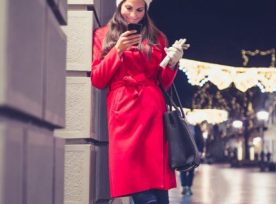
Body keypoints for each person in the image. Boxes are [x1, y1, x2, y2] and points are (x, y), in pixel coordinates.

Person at [91, 0, 187, 203]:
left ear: (146, 10)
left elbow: (163, 83)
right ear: (119, 6)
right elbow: (98, 79)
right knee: (140, 187)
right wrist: (117, 49)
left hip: (153, 111)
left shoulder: (157, 37)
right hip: (123, 112)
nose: (133, 15)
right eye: (128, 8)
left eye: (139, 10)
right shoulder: (102, 34)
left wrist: (173, 62)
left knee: (159, 191)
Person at [180, 124, 204, 196]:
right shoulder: (181, 125)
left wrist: (200, 150)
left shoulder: (196, 127)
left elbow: (200, 139)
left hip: (193, 152)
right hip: (183, 152)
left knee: (191, 170)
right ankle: (184, 187)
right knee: (183, 170)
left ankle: (188, 187)